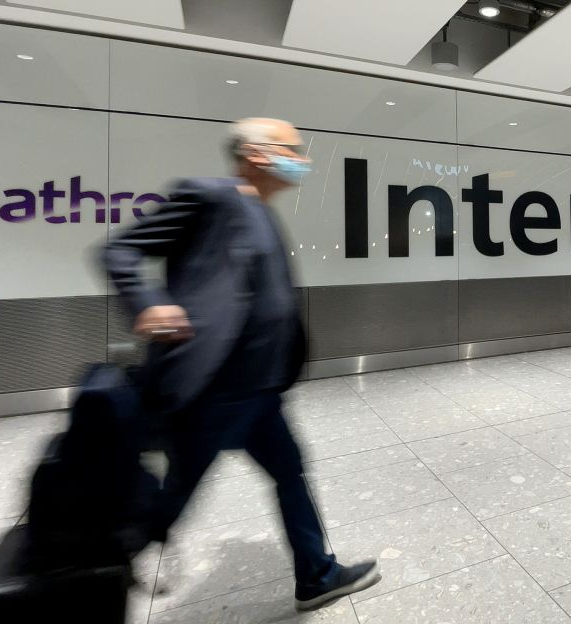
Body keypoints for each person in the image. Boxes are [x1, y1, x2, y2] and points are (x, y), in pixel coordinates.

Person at [102, 118, 380, 611]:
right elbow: (119, 249)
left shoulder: (264, 212)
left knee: (290, 472)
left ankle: (316, 575)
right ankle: (95, 571)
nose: (303, 159)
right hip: (213, 387)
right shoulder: (207, 196)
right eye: (293, 149)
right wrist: (147, 302)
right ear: (257, 154)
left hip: (262, 391)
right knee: (175, 497)